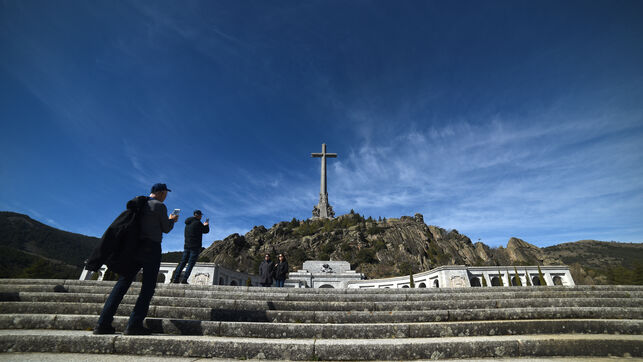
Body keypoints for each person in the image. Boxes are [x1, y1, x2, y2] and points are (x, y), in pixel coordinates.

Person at [93, 183, 178, 335]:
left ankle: (102, 323)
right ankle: (134, 324)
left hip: (133, 248)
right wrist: (172, 220)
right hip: (151, 248)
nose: (166, 196)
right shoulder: (159, 206)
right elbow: (166, 228)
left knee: (123, 282)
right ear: (160, 192)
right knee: (147, 287)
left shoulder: (139, 204)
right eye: (165, 193)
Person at [171, 210, 210, 284]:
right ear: (198, 215)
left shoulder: (187, 223)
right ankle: (184, 279)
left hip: (186, 246)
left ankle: (175, 279)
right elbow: (206, 231)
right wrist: (206, 224)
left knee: (182, 262)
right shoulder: (198, 223)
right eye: (201, 215)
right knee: (190, 264)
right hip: (195, 246)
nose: (201, 217)